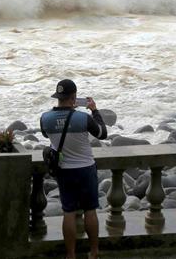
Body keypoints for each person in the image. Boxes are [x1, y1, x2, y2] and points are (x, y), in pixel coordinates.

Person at [40, 79, 108, 259]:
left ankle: (71, 255)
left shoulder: (45, 118)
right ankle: (94, 252)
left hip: (64, 170)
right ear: (74, 98)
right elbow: (102, 133)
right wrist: (94, 110)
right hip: (85, 169)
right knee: (90, 210)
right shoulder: (83, 118)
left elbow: (46, 134)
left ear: (58, 97)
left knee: (68, 212)